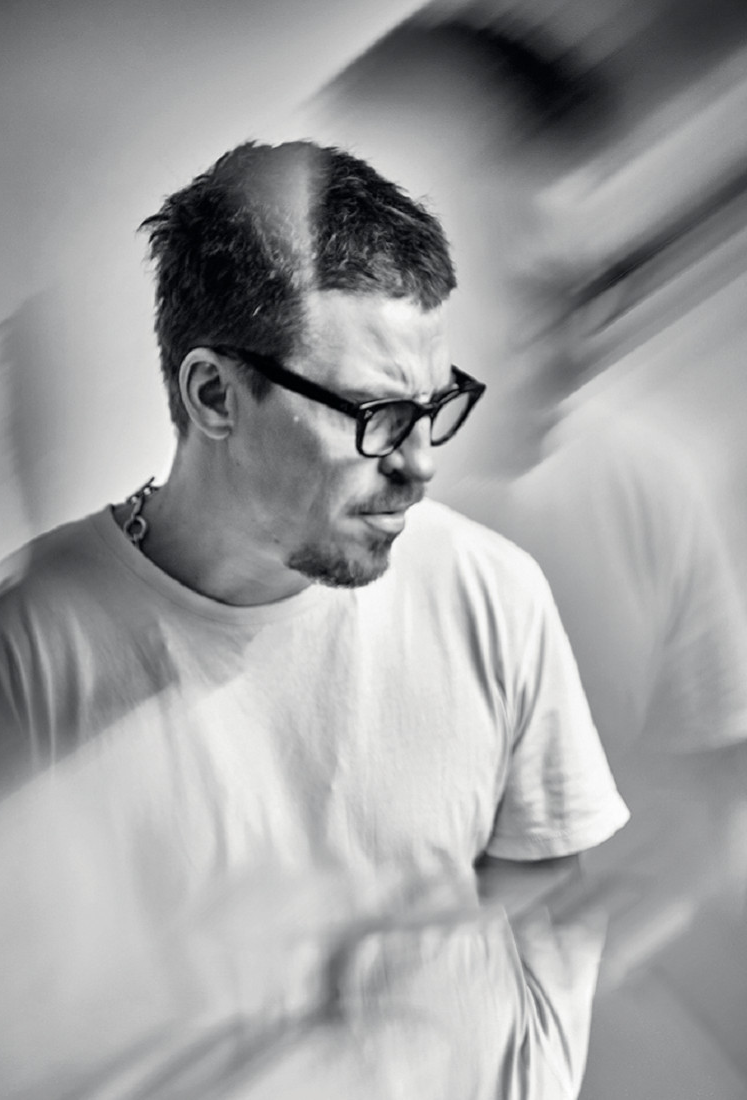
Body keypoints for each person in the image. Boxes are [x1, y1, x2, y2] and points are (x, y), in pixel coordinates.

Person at [0, 139, 628, 1099]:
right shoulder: (15, 670)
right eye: (375, 416)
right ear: (214, 395)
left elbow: (549, 888)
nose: (420, 462)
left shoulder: (492, 592)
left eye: (435, 404)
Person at [311, 11, 747, 1096]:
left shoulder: (638, 485)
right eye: (524, 288)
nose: (572, 339)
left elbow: (709, 766)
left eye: (585, 284)